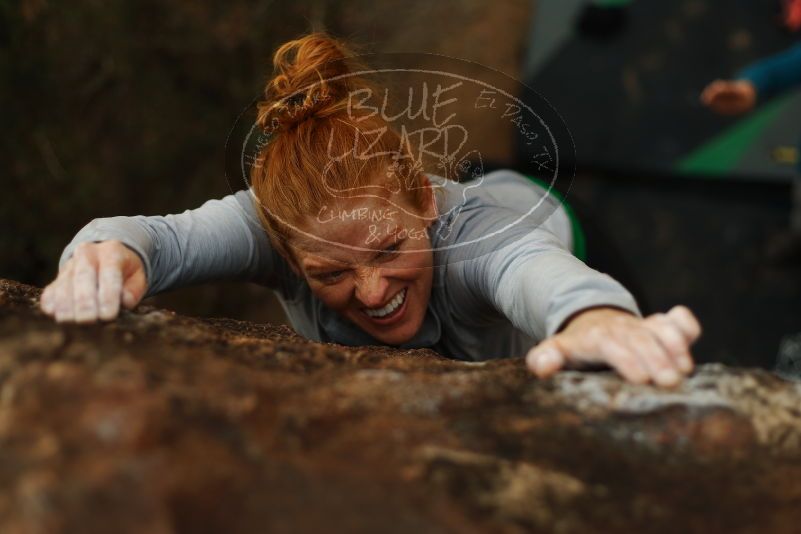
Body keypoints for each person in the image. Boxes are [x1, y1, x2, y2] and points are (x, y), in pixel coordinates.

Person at [39, 33, 701, 387]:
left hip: (551, 221)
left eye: (387, 250)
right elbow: (154, 240)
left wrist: (594, 318)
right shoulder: (275, 225)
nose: (373, 290)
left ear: (420, 199)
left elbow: (528, 267)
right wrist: (103, 255)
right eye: (329, 273)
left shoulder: (476, 239)